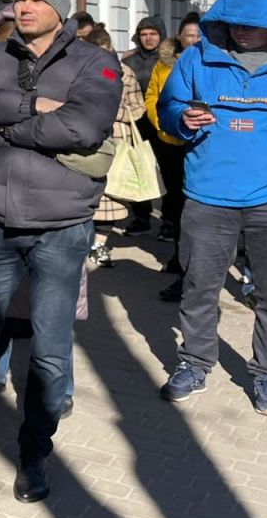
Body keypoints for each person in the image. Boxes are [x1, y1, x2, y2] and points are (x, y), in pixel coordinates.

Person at [0, 0, 121, 503]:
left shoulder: (96, 62)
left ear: (60, 8)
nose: (24, 7)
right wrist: (30, 107)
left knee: (48, 351)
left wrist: (1, 120)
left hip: (60, 227)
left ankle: (34, 454)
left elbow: (84, 128)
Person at [157, 0, 267, 416]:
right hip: (208, 199)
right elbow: (168, 107)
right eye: (232, 21)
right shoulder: (196, 60)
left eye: (251, 23)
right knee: (199, 288)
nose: (239, 30)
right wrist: (180, 119)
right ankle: (194, 363)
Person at [147, 15, 201, 302]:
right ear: (179, 37)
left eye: (197, 35)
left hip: (198, 143)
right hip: (169, 140)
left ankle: (189, 267)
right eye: (188, 35)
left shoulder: (208, 63)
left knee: (192, 205)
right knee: (177, 201)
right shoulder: (164, 64)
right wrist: (162, 123)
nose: (193, 39)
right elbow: (154, 98)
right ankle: (181, 259)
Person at [85, 25, 146, 268]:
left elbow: (138, 108)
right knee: (93, 193)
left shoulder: (123, 72)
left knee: (110, 195)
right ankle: (92, 242)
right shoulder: (83, 71)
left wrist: (116, 113)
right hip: (93, 138)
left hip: (116, 140)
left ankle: (99, 244)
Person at [120, 16, 167, 236]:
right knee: (139, 171)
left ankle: (169, 219)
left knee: (169, 173)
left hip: (164, 123)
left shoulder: (171, 61)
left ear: (161, 35)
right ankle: (141, 216)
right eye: (144, 34)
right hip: (137, 124)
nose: (148, 38)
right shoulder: (129, 62)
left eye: (153, 34)